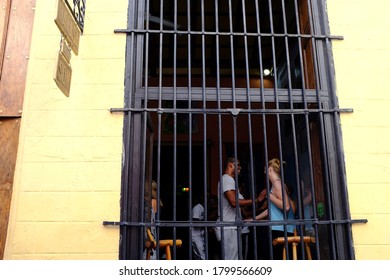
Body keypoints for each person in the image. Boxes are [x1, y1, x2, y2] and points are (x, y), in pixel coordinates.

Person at [218, 157, 266, 260]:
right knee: (232, 260)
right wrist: (257, 200)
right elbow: (234, 202)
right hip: (228, 226)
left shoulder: (228, 180)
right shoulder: (227, 179)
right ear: (230, 165)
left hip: (230, 226)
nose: (240, 167)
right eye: (238, 165)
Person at [250, 158, 295, 259]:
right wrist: (254, 219)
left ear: (270, 169)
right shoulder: (275, 184)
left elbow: (286, 206)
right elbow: (271, 210)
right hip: (279, 228)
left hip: (281, 229)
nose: (265, 173)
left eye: (266, 170)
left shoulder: (277, 184)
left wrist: (270, 197)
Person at [144, 180, 163, 260]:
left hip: (150, 231)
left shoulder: (152, 202)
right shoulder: (158, 201)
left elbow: (149, 218)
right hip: (155, 230)